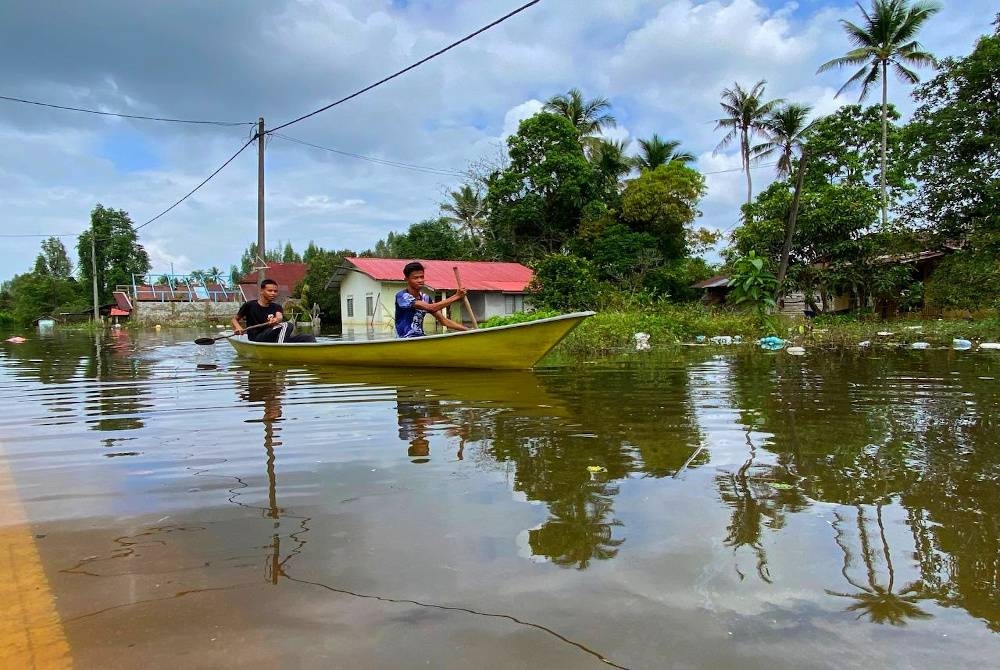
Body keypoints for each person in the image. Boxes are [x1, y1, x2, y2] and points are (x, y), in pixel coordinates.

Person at [395, 261, 469, 338]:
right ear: (406, 279)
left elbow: (444, 321)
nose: (420, 280)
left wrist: (468, 330)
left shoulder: (425, 298)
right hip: (404, 339)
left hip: (420, 338)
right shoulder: (402, 296)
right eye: (415, 278)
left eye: (422, 277)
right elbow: (431, 307)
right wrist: (456, 296)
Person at [233, 278, 316, 343]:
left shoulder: (277, 306)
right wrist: (238, 327)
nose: (273, 293)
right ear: (262, 291)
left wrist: (276, 320)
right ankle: (281, 349)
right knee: (287, 325)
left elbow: (279, 316)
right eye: (270, 291)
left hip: (274, 338)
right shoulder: (250, 305)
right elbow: (234, 319)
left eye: (275, 291)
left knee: (309, 337)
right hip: (257, 338)